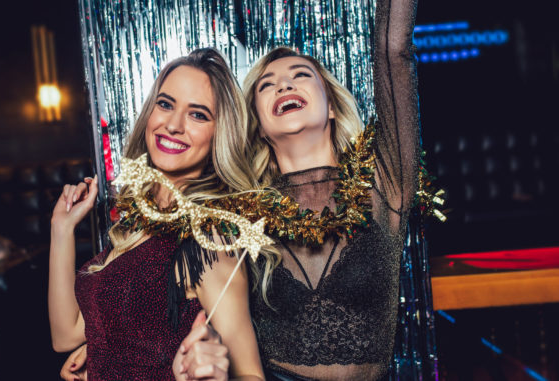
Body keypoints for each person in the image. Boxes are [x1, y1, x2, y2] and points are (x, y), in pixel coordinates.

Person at [63, 0, 420, 378]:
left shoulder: (385, 186)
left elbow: (394, 50)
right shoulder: (236, 215)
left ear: (331, 104)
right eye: (267, 85)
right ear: (259, 126)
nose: (284, 84)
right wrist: (109, 349)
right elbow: (166, 300)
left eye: (300, 75)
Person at [49, 48, 272, 381]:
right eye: (166, 104)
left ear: (218, 135)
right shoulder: (140, 222)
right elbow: (66, 335)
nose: (173, 125)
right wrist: (61, 230)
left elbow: (251, 375)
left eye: (198, 115)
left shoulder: (205, 240)